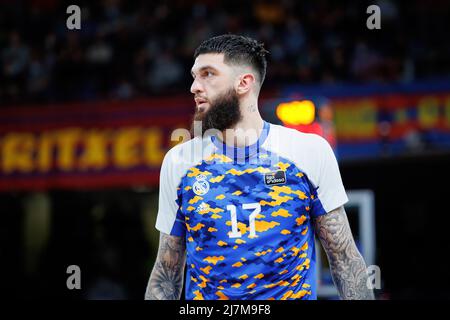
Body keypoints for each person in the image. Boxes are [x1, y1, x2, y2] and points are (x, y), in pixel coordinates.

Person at [145, 34, 374, 300]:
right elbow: (166, 272)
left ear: (244, 83)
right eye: (194, 76)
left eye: (208, 74)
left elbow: (345, 259)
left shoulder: (309, 151)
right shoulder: (180, 162)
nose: (194, 86)